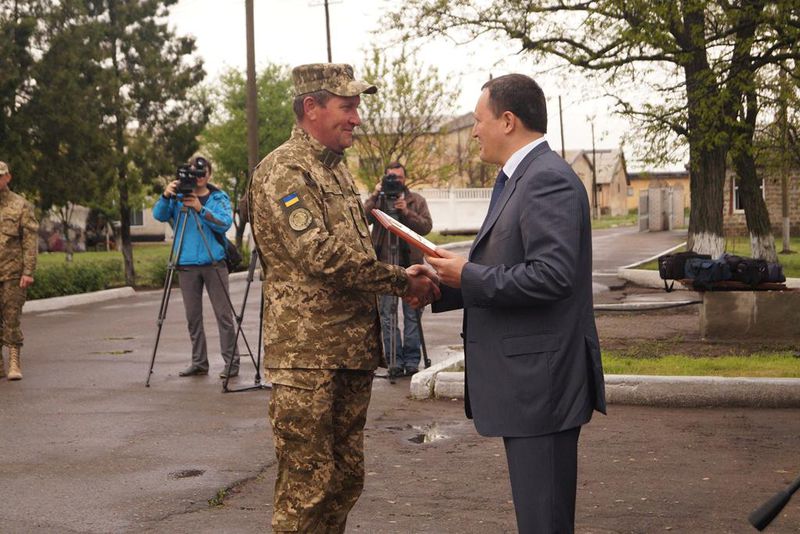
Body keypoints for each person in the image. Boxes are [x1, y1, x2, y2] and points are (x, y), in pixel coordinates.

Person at [248, 63, 440, 533]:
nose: (356, 118)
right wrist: (400, 281)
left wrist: (410, 270)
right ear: (311, 108)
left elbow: (356, 252)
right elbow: (320, 255)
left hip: (348, 352)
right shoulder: (285, 171)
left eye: (357, 107)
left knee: (345, 479)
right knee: (307, 488)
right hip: (307, 357)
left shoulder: (335, 173)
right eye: (347, 107)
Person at [426, 74, 607, 533]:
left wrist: (466, 274)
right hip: (528, 385)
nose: (473, 132)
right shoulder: (515, 179)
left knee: (544, 522)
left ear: (508, 121)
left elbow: (552, 276)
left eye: (478, 120)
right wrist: (440, 285)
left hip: (541, 386)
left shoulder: (547, 180)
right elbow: (508, 263)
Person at [152, 155, 240, 379]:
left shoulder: (218, 197)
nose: (199, 177)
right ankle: (199, 362)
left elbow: (224, 224)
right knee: (193, 317)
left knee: (223, 315)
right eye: (195, 173)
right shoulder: (178, 197)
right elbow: (158, 215)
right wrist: (166, 195)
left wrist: (201, 208)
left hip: (214, 263)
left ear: (209, 174)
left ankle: (231, 363)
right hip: (186, 264)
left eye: (203, 173)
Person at [364, 162, 433, 376]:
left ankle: (412, 362)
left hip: (410, 262)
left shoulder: (416, 201)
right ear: (384, 179)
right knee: (387, 315)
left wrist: (407, 212)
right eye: (391, 178)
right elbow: (362, 218)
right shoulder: (379, 201)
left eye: (399, 178)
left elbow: (426, 227)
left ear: (405, 179)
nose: (395, 181)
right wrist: (375, 195)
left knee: (412, 313)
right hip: (385, 265)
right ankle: (394, 361)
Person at [0, 161, 38, 381]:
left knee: (11, 318)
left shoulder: (20, 205)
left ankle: (14, 361)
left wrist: (28, 270)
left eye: (0, 176)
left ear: (8, 177)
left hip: (13, 273)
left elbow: (29, 241)